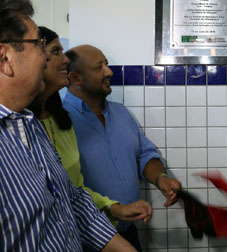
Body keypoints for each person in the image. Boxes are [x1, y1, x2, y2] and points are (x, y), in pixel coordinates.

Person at [0, 0, 135, 251]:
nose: (46, 58)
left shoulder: (29, 126)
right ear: (5, 59)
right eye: (39, 44)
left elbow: (71, 200)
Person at [28, 26, 152, 226]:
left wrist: (113, 208)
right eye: (56, 52)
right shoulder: (21, 124)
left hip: (97, 231)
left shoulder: (60, 121)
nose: (65, 59)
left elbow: (73, 189)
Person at [62, 44, 182, 251]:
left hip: (128, 232)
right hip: (88, 238)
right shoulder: (60, 122)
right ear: (75, 79)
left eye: (106, 65)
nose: (109, 72)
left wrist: (161, 179)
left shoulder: (121, 113)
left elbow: (144, 155)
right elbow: (65, 186)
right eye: (99, 67)